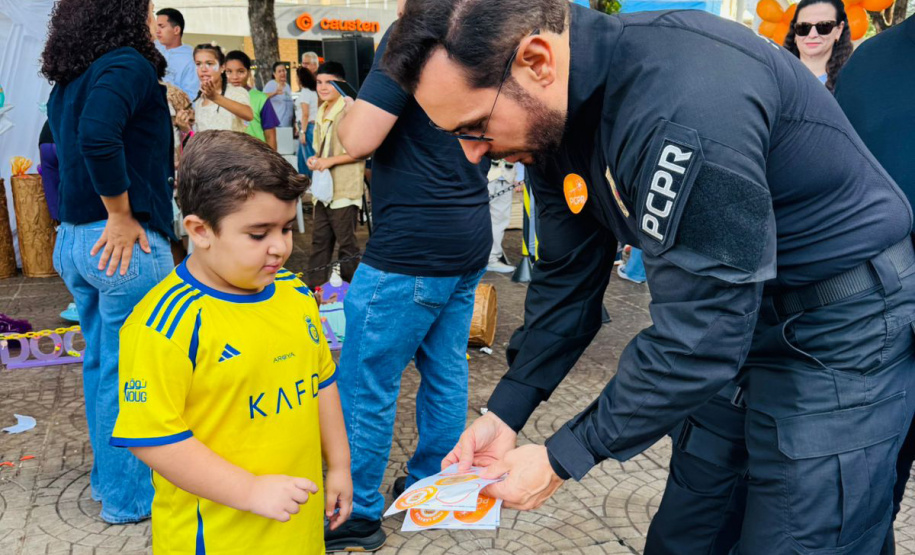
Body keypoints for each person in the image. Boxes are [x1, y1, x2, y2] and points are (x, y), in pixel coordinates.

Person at [383, 2, 915, 554]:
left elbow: (701, 337)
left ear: (537, 62)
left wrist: (563, 456)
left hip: (841, 327)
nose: (473, 155)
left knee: (802, 539)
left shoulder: (686, 101)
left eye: (475, 127)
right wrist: (507, 410)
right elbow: (567, 282)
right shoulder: (548, 125)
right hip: (740, 317)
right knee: (689, 531)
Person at [109, 130, 351, 554]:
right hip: (218, 537)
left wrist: (341, 467)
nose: (279, 247)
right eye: (258, 234)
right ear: (200, 230)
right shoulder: (163, 324)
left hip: (298, 525)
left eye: (286, 228)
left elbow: (321, 382)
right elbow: (152, 438)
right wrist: (250, 490)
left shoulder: (294, 294)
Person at [324, 0, 491, 548]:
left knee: (366, 378)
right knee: (445, 368)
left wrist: (350, 105)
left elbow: (358, 138)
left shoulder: (414, 30)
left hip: (412, 245)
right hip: (468, 232)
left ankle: (359, 511)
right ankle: (431, 486)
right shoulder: (489, 30)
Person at [42, 0, 178, 524]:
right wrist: (120, 214)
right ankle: (130, 499)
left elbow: (59, 148)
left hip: (79, 241)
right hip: (120, 242)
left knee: (105, 367)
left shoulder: (73, 76)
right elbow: (97, 139)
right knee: (133, 375)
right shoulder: (126, 63)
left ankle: (111, 486)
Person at [835, 14, 915, 549]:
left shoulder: (872, 60)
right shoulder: (872, 62)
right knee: (864, 508)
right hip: (874, 339)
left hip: (875, 332)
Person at [304, 62, 365, 290]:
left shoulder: (348, 108)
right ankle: (313, 291)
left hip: (344, 188)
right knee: (320, 241)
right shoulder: (322, 109)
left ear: (340, 83)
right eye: (319, 82)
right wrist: (315, 159)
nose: (322, 87)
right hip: (323, 190)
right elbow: (321, 148)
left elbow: (361, 149)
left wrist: (328, 161)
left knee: (347, 244)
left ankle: (354, 293)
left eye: (328, 82)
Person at [38, 121, 79, 323]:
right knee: (85, 218)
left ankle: (78, 298)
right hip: (65, 143)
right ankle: (82, 300)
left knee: (62, 219)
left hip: (45, 143)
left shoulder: (60, 97)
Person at [783, 0, 853, 91]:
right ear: (795, 33)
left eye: (824, 26)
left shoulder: (851, 83)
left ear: (839, 30)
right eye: (803, 27)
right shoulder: (774, 77)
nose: (812, 35)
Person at [225, 50, 280, 150]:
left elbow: (270, 136)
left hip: (256, 158)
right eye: (229, 72)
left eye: (241, 71)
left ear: (249, 73)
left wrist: (272, 163)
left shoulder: (261, 98)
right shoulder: (220, 98)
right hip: (227, 157)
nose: (234, 77)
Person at [192, 44, 253, 133]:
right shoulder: (199, 100)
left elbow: (248, 115)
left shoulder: (236, 92)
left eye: (209, 63)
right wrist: (185, 128)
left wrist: (215, 97)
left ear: (222, 67)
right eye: (198, 64)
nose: (203, 69)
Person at [155, 8, 199, 99]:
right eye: (156, 27)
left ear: (176, 30)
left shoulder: (191, 58)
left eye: (161, 26)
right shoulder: (153, 46)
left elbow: (191, 96)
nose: (157, 31)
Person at [486, 159, 521, 273]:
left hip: (504, 177)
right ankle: (490, 259)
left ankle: (490, 258)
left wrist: (519, 176)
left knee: (498, 220)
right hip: (488, 174)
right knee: (497, 220)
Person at [296, 64, 319, 176]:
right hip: (309, 127)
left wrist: (302, 131)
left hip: (307, 127)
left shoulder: (305, 92)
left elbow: (305, 114)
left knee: (308, 158)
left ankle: (311, 183)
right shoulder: (313, 92)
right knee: (302, 157)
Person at [263, 62, 295, 128]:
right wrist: (275, 93)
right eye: (279, 71)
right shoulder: (271, 84)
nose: (282, 73)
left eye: (283, 70)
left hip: (288, 124)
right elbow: (262, 97)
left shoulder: (287, 86)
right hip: (277, 125)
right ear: (274, 74)